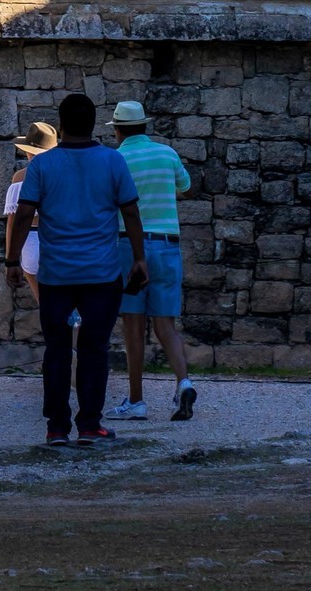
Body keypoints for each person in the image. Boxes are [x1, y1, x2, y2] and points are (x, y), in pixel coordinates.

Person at [6, 92, 146, 445]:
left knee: (56, 350)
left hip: (56, 273)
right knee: (94, 348)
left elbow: (24, 214)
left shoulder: (42, 166)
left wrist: (12, 259)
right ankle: (89, 424)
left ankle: (56, 427)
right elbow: (130, 212)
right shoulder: (112, 161)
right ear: (95, 123)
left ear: (62, 124)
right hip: (101, 273)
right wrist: (139, 258)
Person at [107, 99, 197, 422]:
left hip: (129, 247)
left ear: (117, 130)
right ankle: (183, 383)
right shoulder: (167, 154)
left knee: (133, 324)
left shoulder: (116, 159)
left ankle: (136, 400)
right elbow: (187, 188)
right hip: (168, 245)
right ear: (144, 125)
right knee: (165, 325)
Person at [4, 122, 55, 307]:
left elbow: (13, 222)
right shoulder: (62, 175)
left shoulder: (20, 177)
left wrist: (10, 259)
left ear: (28, 151)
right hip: (57, 240)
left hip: (31, 240)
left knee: (44, 303)